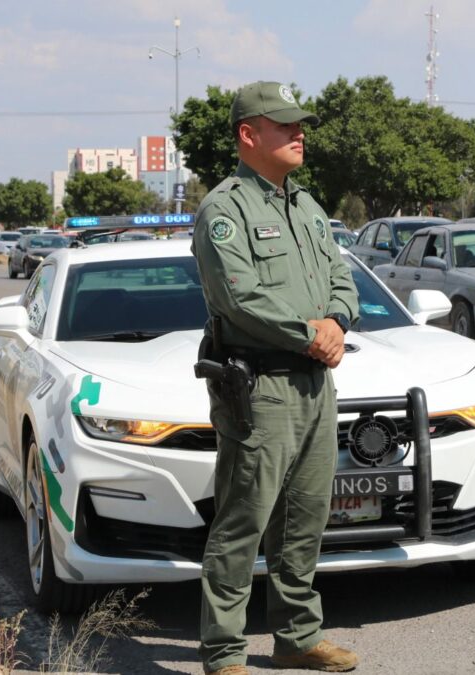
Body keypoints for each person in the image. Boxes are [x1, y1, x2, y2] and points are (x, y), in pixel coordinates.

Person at [191, 81, 360, 675]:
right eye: (284, 125)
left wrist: (337, 321)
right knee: (244, 521)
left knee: (304, 519)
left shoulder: (306, 207)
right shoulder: (225, 208)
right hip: (260, 388)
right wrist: (308, 332)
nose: (299, 133)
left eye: (299, 124)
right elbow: (239, 297)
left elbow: (343, 277)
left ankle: (296, 638)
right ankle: (225, 652)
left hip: (316, 387)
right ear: (248, 135)